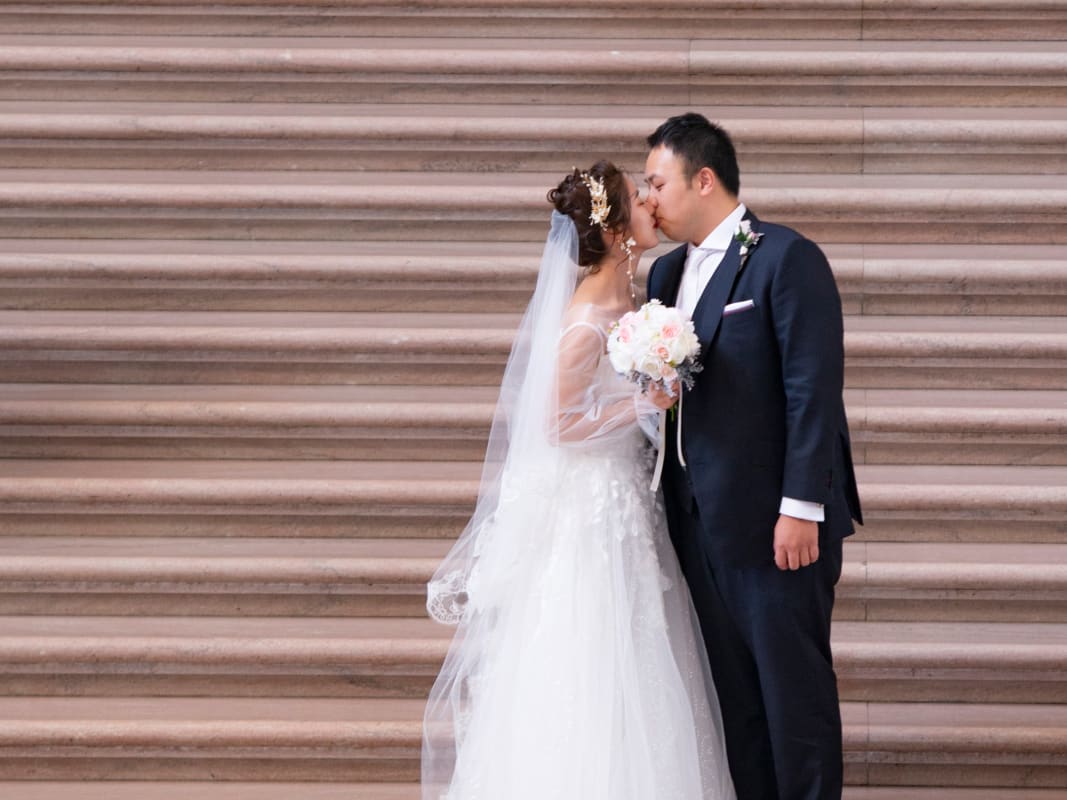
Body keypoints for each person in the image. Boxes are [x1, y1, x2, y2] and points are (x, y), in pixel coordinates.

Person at [422, 161, 736, 800]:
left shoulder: (631, 294)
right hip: (592, 508)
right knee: (592, 655)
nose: (653, 202)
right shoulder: (589, 312)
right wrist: (646, 403)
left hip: (626, 500)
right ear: (619, 227)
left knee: (644, 651)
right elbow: (557, 424)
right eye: (640, 197)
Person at [644, 112, 864, 800]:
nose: (647, 197)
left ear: (702, 179)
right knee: (732, 702)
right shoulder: (664, 275)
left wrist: (801, 506)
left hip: (776, 530)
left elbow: (811, 391)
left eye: (656, 182)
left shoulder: (784, 257)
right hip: (694, 525)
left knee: (791, 699)